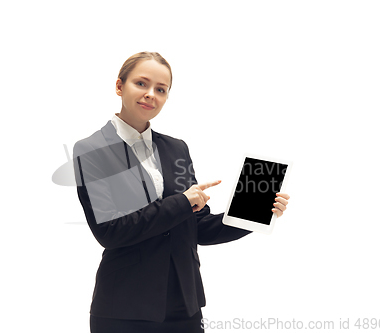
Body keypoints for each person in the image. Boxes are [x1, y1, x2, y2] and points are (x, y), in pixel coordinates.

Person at [73, 51, 290, 333]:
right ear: (119, 87)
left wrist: (256, 212)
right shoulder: (91, 150)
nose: (151, 94)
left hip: (184, 308)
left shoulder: (176, 148)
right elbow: (111, 231)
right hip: (125, 309)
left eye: (161, 89)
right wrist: (182, 202)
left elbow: (197, 228)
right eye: (141, 84)